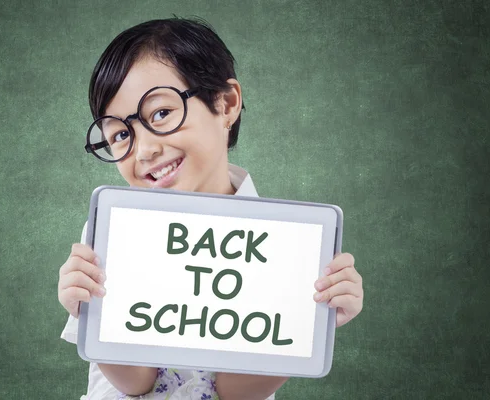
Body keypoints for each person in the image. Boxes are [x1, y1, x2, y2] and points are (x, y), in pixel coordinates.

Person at [58, 17, 364, 400]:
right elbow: (136, 382)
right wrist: (90, 312)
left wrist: (308, 323)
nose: (145, 150)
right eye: (120, 134)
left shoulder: (284, 248)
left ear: (226, 103)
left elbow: (235, 393)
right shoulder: (112, 232)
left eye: (161, 114)